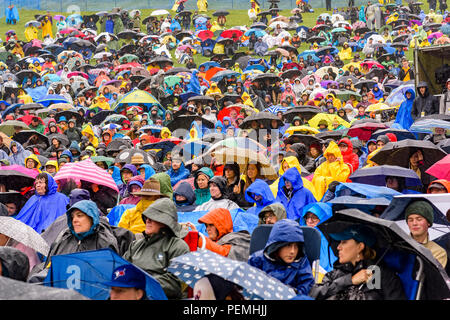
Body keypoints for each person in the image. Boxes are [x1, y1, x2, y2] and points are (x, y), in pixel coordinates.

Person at [309, 224, 406, 300]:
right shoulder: (335, 274)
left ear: (360, 246)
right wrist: (349, 280)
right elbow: (313, 295)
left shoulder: (383, 276)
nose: (338, 247)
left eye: (344, 242)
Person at [123, 198, 190, 299]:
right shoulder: (136, 245)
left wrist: (141, 284)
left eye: (153, 218)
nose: (148, 220)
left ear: (166, 222)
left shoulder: (178, 246)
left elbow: (175, 283)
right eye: (147, 217)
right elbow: (122, 268)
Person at [248, 219, 315, 296]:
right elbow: (248, 284)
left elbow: (307, 285)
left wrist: (293, 293)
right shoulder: (257, 260)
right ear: (277, 246)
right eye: (288, 245)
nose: (292, 251)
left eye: (296, 246)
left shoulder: (301, 261)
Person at [405, 200, 448, 268]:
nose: (414, 223)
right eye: (410, 220)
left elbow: (436, 276)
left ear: (428, 222)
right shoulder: (398, 243)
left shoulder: (438, 252)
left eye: (419, 219)